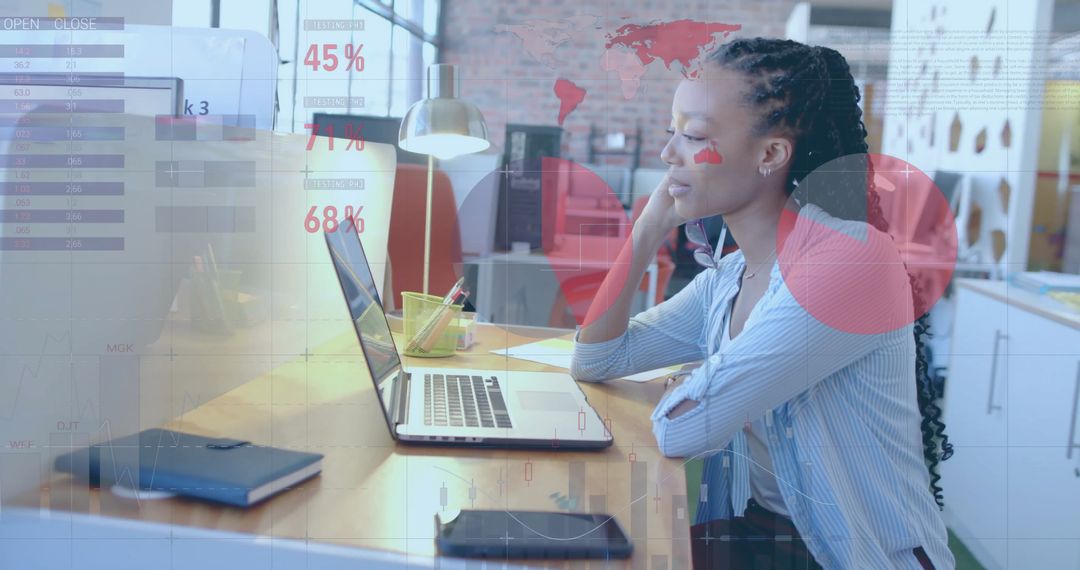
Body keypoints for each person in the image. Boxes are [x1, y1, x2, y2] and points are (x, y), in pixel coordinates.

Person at [570, 38, 954, 569]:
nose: (667, 155)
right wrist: (647, 228)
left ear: (771, 154)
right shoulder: (730, 275)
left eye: (695, 136)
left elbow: (685, 429)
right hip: (768, 534)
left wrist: (698, 389)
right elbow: (596, 359)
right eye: (671, 134)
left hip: (852, 553)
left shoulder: (853, 262)